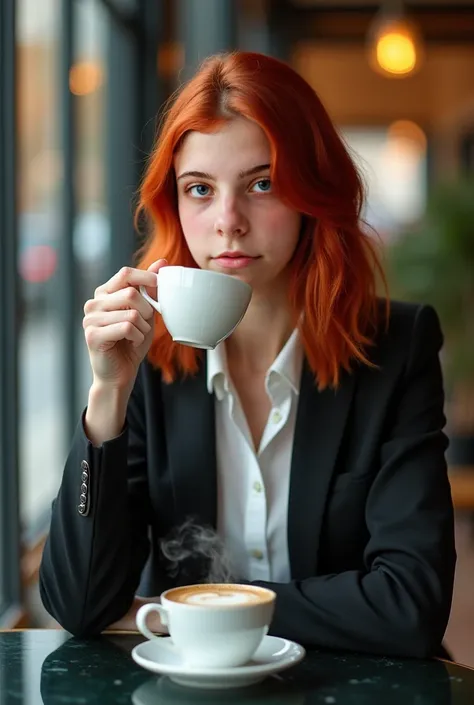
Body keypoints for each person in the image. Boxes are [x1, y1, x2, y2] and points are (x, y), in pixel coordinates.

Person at [39, 51, 456, 657]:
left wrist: (187, 609)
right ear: (174, 205)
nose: (228, 221)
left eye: (262, 184)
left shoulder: (395, 348)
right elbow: (80, 607)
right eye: (199, 189)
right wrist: (106, 397)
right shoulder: (148, 360)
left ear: (314, 190)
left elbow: (410, 606)